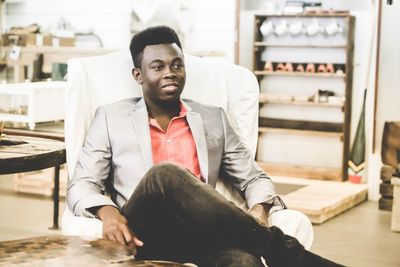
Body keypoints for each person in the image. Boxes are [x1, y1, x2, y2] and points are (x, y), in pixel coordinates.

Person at [67, 26, 342, 267]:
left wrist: (260, 208)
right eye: (158, 66)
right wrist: (108, 213)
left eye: (177, 65)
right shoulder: (110, 117)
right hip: (143, 231)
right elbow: (82, 184)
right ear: (138, 75)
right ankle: (285, 253)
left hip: (204, 232)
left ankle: (273, 251)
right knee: (165, 174)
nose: (170, 73)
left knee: (245, 262)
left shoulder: (214, 118)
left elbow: (254, 177)